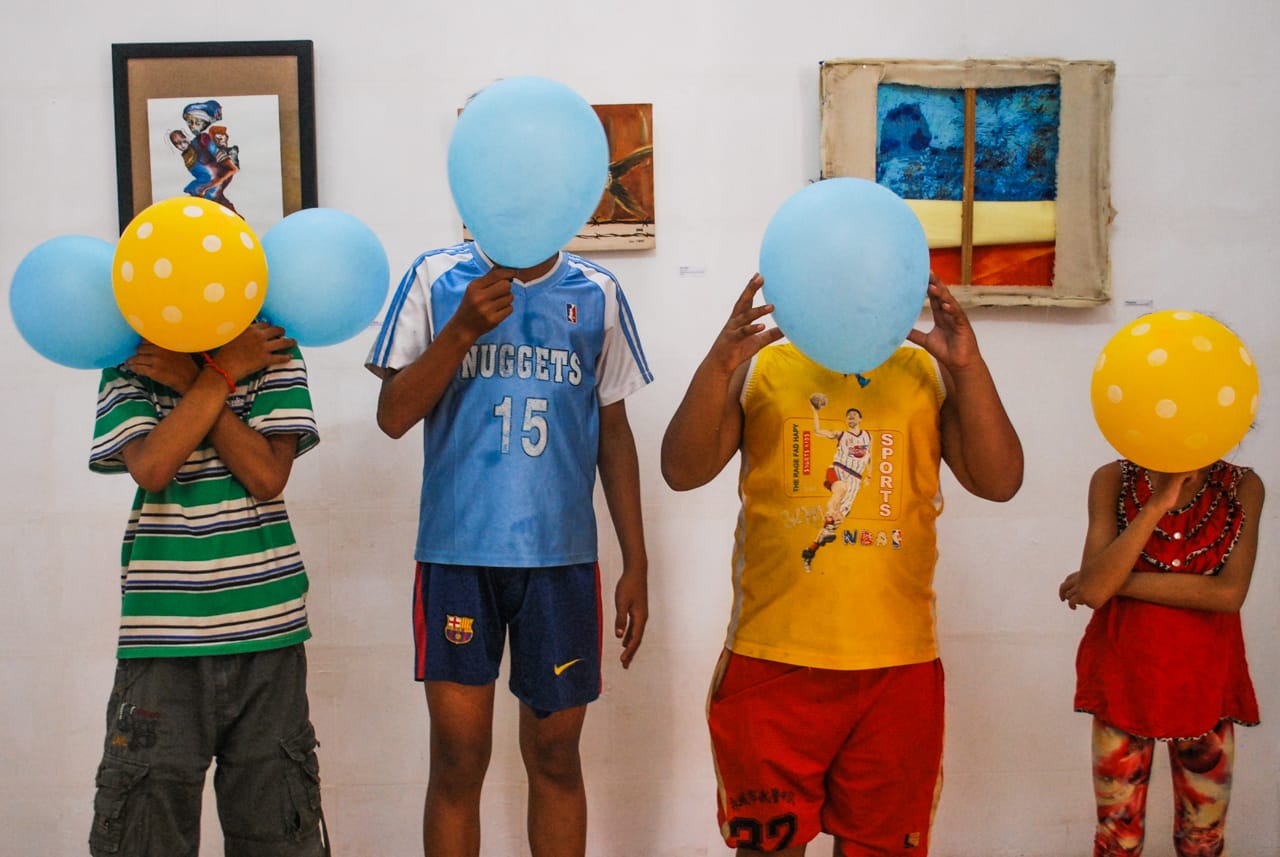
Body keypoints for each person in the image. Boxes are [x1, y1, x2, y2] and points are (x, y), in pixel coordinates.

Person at [661, 273, 1022, 855]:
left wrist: (969, 367)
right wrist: (717, 365)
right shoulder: (764, 365)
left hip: (897, 668)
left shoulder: (924, 368)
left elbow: (1000, 481)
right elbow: (682, 470)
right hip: (772, 663)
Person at [366, 239, 652, 857]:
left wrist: (637, 560)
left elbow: (614, 430)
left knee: (555, 756)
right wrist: (463, 327)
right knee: (458, 759)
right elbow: (392, 414)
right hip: (458, 555)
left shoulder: (595, 289)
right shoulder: (436, 277)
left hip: (561, 561)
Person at [87, 321, 328, 856]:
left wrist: (202, 378)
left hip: (268, 629)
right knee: (146, 832)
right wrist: (218, 378)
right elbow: (151, 466)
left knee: (277, 835)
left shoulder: (272, 348)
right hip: (163, 636)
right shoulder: (129, 356)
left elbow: (267, 476)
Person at [1058, 456, 1263, 857]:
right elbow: (1096, 592)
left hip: (1205, 682)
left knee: (1202, 840)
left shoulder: (1242, 487)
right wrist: (1156, 505)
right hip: (1123, 678)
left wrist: (1118, 579)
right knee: (1118, 840)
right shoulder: (1113, 479)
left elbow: (1228, 595)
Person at [801, 401, 872, 570]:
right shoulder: (841, 435)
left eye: (854, 415)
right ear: (847, 421)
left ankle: (810, 552)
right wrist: (815, 411)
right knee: (840, 490)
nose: (851, 417)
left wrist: (869, 475)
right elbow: (818, 431)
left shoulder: (868, 436)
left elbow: (869, 457)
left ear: (860, 419)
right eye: (848, 416)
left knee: (836, 521)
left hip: (856, 478)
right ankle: (829, 519)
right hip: (839, 469)